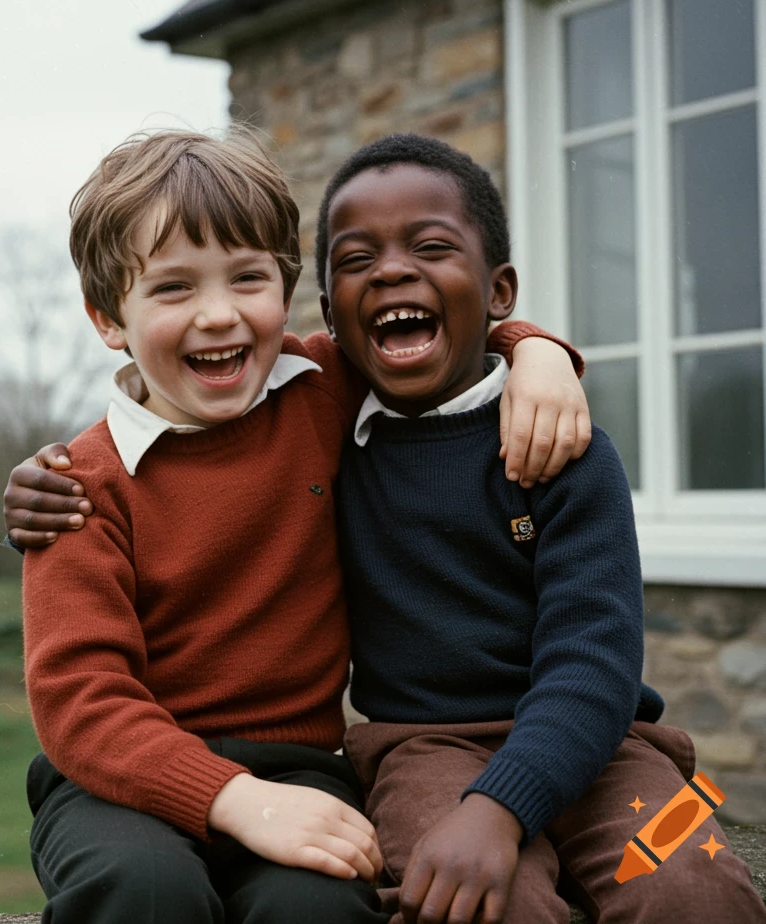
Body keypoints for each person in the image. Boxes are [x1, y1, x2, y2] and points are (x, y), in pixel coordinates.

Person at [15, 127, 590, 924]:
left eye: (247, 278)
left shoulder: (320, 391)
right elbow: (79, 701)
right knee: (148, 892)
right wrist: (230, 799)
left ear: (287, 292)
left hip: (298, 772)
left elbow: (437, 330)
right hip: (118, 787)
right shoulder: (78, 489)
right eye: (174, 289)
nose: (218, 316)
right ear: (109, 317)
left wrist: (539, 353)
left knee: (318, 905)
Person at [315, 134, 765, 924]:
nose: (390, 270)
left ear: (499, 293)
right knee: (475, 903)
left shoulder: (562, 447)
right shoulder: (318, 431)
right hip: (423, 752)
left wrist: (501, 806)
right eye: (356, 260)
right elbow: (209, 370)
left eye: (430, 246)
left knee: (698, 884)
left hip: (608, 743)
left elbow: (597, 659)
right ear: (328, 316)